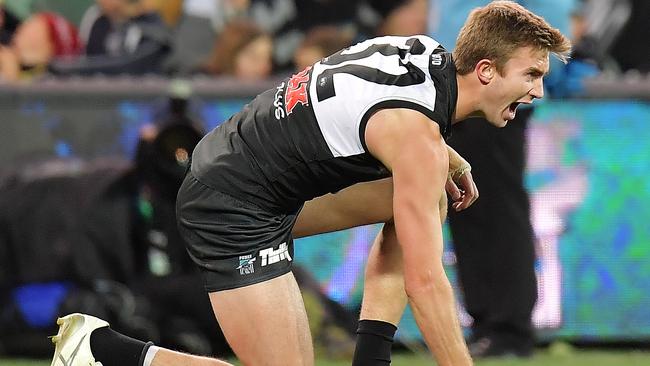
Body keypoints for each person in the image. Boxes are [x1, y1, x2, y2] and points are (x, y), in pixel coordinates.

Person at [49, 2, 570, 366]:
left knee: (423, 194)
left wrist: (446, 157)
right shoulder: (415, 137)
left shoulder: (425, 59)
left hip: (256, 182)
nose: (538, 91)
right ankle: (102, 351)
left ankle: (372, 358)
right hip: (229, 206)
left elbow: (369, 106)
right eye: (530, 75)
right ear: (484, 71)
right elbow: (426, 281)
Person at [429, 0, 574, 358]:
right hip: (451, 90)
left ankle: (510, 327)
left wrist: (532, 75)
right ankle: (486, 324)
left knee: (496, 206)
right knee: (465, 206)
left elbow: (552, 16)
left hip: (496, 89)